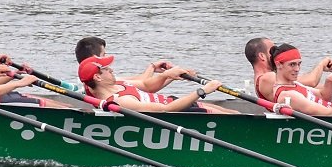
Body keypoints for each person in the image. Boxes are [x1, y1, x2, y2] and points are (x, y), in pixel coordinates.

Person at [78, 53, 224, 113]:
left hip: (177, 101)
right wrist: (202, 91)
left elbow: (147, 86)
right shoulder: (122, 101)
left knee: (234, 112)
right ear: (97, 78)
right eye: (105, 68)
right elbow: (166, 110)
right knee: (233, 116)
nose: (111, 69)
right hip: (180, 111)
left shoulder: (117, 83)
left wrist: (170, 75)